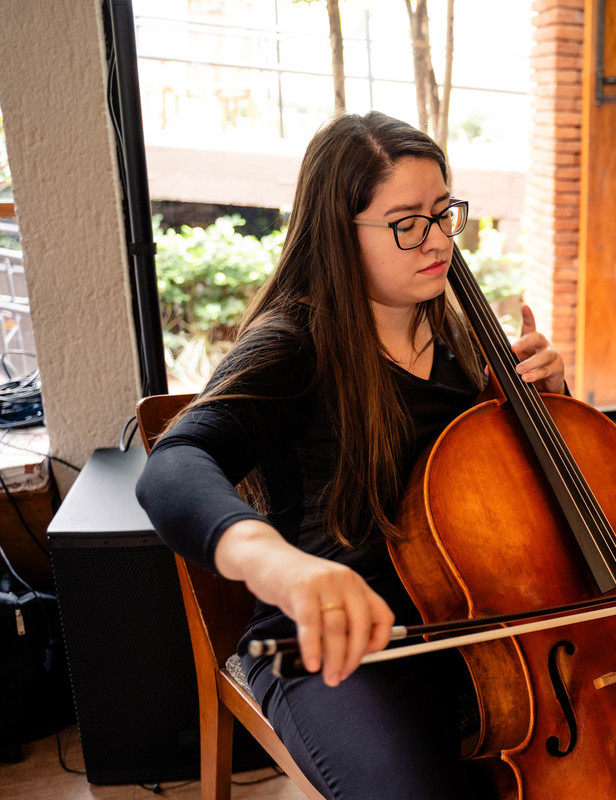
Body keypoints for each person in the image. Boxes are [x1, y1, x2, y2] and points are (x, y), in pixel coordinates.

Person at [136, 112, 566, 798]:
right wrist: (281, 569)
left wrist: (551, 401)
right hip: (340, 646)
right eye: (406, 223)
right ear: (340, 232)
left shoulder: (460, 338)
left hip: (478, 621)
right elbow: (175, 462)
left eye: (442, 213)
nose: (436, 241)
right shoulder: (291, 347)